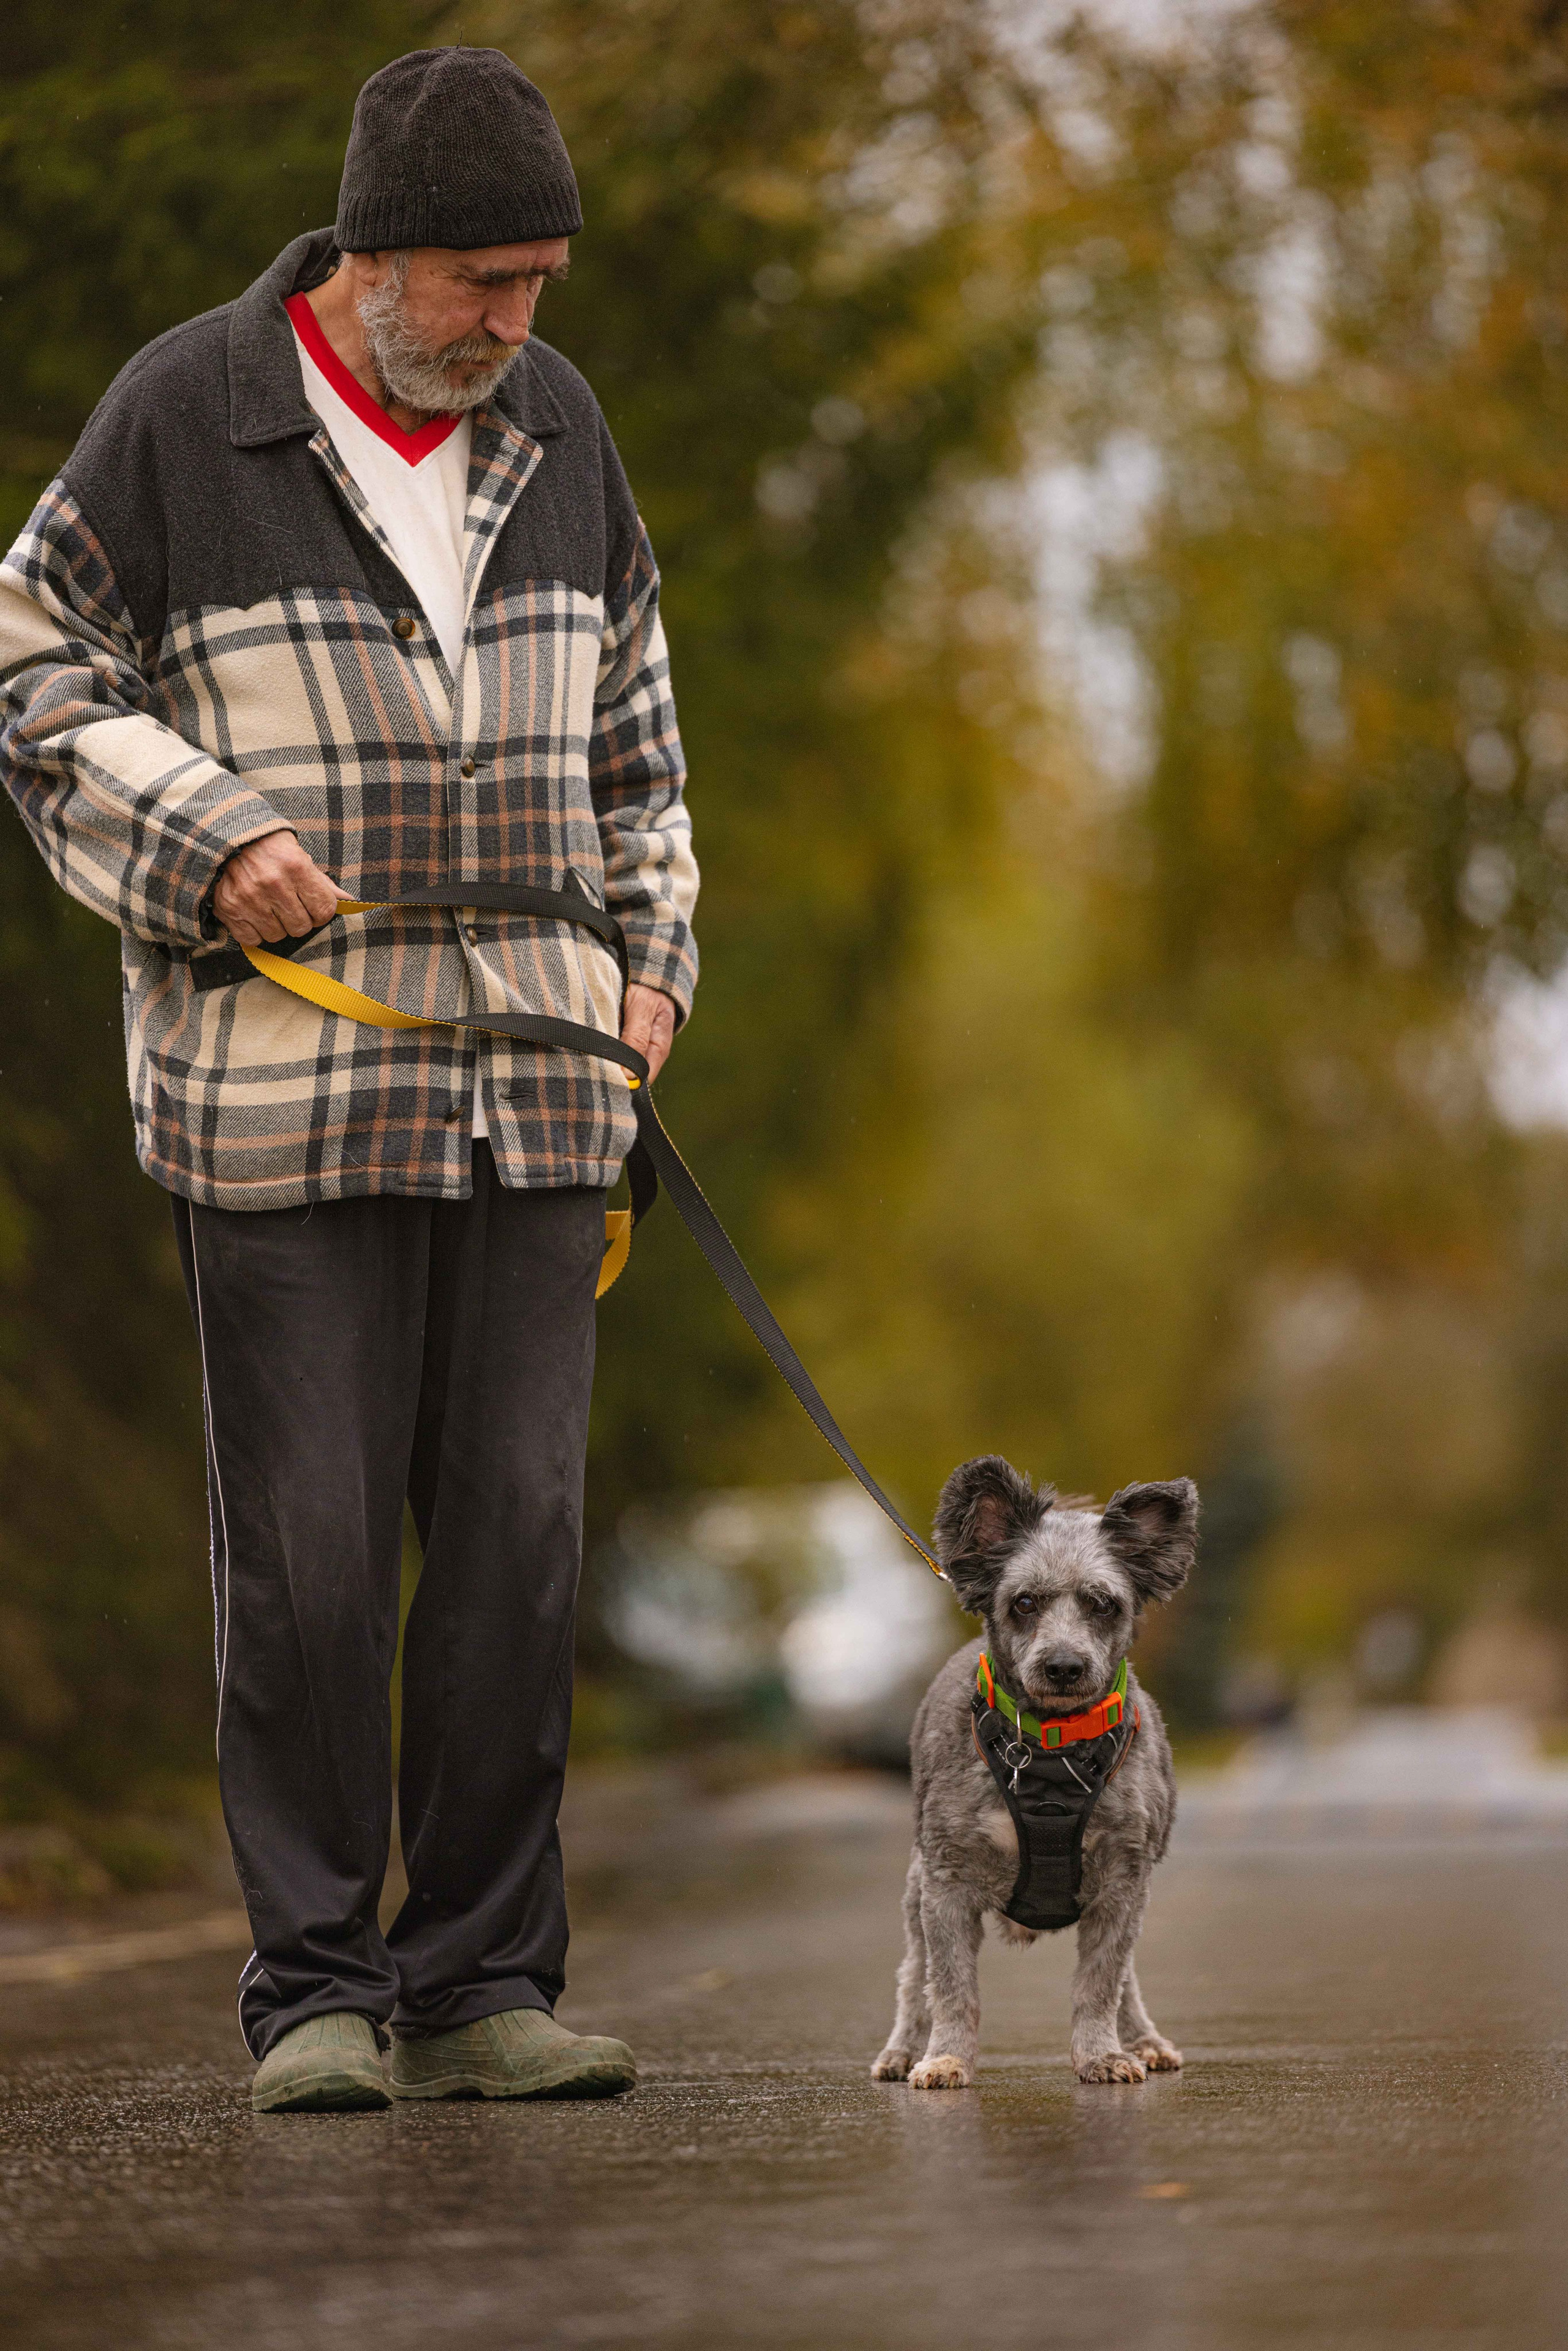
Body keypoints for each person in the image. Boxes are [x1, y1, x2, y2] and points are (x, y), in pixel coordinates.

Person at [0, 47, 696, 2113]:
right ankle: (315, 1989)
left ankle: (485, 1983)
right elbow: (32, 669)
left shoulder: (558, 428)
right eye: (487, 281)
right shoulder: (180, 417)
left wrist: (648, 977)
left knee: (519, 1545)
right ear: (378, 259)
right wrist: (211, 842)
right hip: (284, 1108)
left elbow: (643, 743)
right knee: (303, 1561)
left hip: (546, 1098)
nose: (517, 324)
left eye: (541, 282)